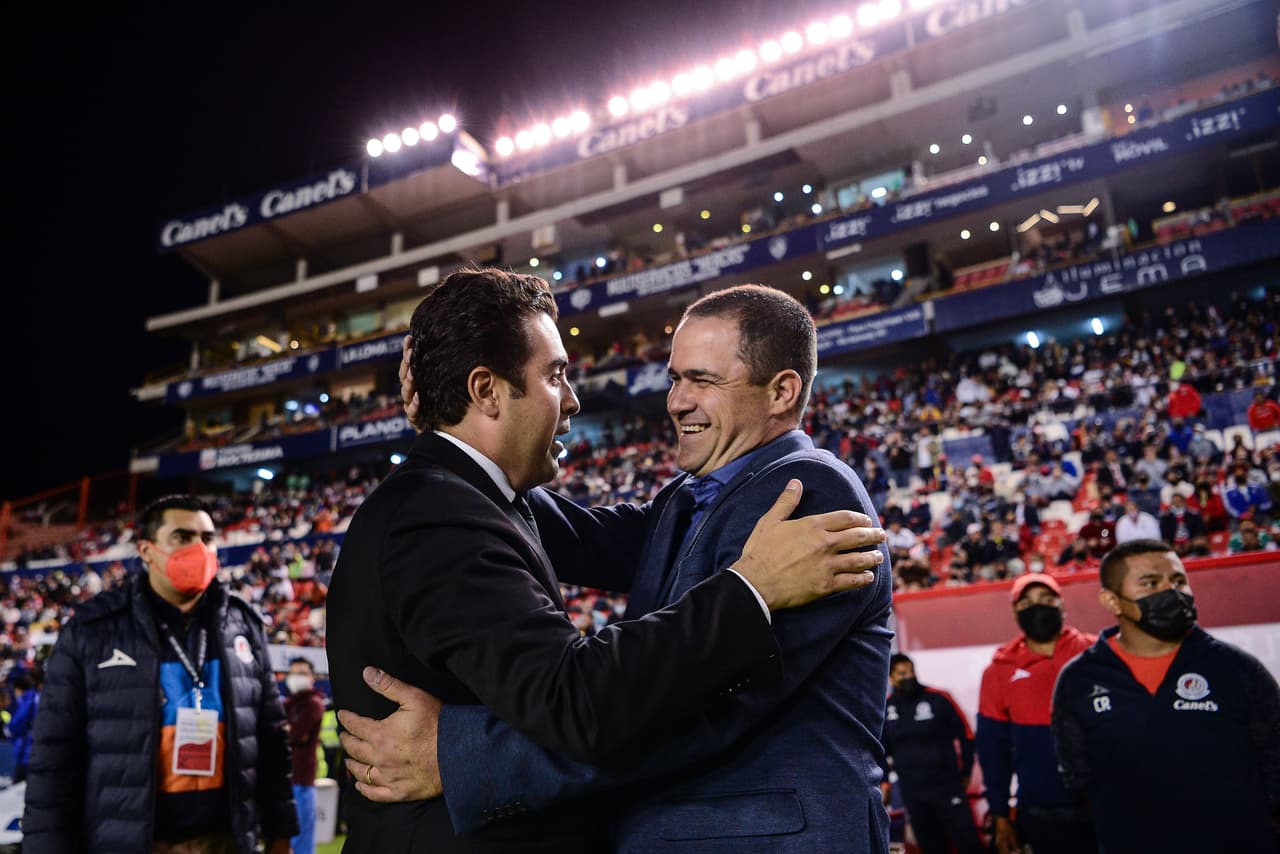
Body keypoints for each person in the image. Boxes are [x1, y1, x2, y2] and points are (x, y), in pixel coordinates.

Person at [326, 272, 888, 852]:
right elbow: (560, 527)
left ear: (782, 392)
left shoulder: (808, 501)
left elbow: (705, 707)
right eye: (675, 379)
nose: (677, 401)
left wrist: (462, 755)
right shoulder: (687, 499)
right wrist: (455, 428)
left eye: (703, 380)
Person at [23, 494, 297, 853]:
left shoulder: (243, 625)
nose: (199, 548)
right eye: (182, 537)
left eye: (207, 538)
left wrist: (280, 835)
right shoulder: (92, 630)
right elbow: (54, 758)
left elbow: (270, 741)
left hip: (224, 843)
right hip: (131, 842)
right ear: (146, 550)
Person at [1051, 540, 1280, 852]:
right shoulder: (1078, 680)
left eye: (1178, 580)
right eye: (1150, 583)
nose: (1171, 592)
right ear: (1111, 600)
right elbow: (1077, 777)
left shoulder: (1238, 669)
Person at [976, 573, 1097, 854]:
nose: (1037, 607)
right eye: (1027, 602)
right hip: (1041, 810)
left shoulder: (1097, 654)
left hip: (1108, 803)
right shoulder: (998, 672)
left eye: (1046, 599)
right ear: (1015, 613)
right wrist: (1000, 814)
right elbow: (994, 751)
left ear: (1061, 604)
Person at [881, 654, 982, 854]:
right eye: (902, 674)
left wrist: (966, 773)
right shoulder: (885, 709)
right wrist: (885, 781)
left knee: (969, 846)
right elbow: (880, 750)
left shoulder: (938, 699)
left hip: (948, 788)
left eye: (911, 672)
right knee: (930, 847)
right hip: (914, 793)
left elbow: (967, 736)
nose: (909, 677)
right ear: (891, 678)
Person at [285, 657, 327, 854]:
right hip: (284, 776)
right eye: (294, 672)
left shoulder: (314, 703)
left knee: (301, 836)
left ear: (312, 677)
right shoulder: (289, 703)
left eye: (302, 673)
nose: (297, 677)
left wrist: (287, 731)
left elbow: (296, 735)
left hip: (302, 777)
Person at [5, 669, 40, 783]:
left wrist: (8, 729)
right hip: (34, 749)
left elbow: (17, 722)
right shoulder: (36, 697)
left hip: (26, 750)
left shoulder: (28, 700)